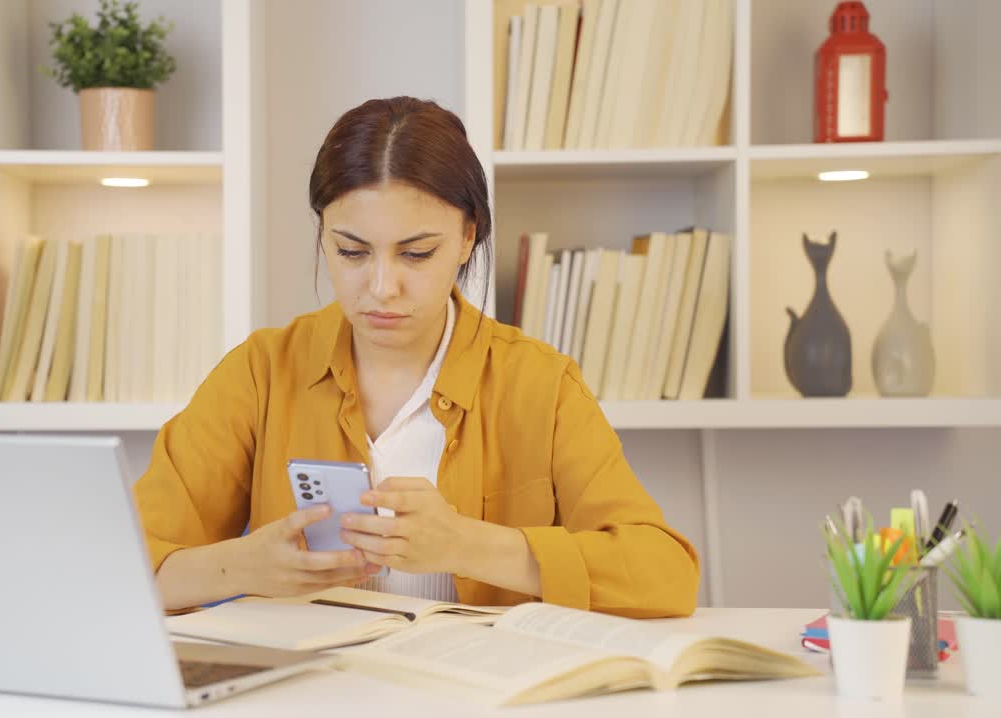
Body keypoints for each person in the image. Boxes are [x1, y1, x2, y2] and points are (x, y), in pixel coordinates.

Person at [134, 96, 699, 617]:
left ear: (467, 237)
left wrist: (469, 545)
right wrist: (242, 566)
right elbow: (123, 566)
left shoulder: (540, 384)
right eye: (351, 251)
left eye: (416, 253)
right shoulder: (261, 372)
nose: (382, 287)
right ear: (323, 234)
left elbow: (664, 575)